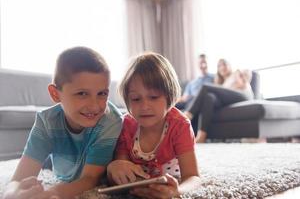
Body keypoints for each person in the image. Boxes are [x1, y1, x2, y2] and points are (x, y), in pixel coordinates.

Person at [3, 46, 123, 199]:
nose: (95, 105)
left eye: (102, 93)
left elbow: (90, 179)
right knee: (46, 165)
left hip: (89, 170)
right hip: (60, 164)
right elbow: (19, 178)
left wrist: (50, 193)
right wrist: (11, 193)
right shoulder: (46, 121)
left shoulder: (110, 121)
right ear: (55, 94)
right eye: (82, 94)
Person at [107, 52, 201, 199]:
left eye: (154, 97)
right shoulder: (126, 125)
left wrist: (177, 191)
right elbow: (122, 167)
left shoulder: (180, 126)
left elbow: (193, 177)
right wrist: (115, 168)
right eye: (136, 99)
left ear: (169, 97)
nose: (144, 106)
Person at [185, 58, 254, 143]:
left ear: (229, 66)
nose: (222, 67)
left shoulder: (236, 73)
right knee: (209, 97)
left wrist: (239, 75)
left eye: (224, 64)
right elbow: (224, 95)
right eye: (219, 66)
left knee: (205, 87)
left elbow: (244, 80)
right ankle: (201, 136)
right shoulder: (223, 83)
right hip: (230, 99)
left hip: (243, 95)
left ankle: (187, 115)